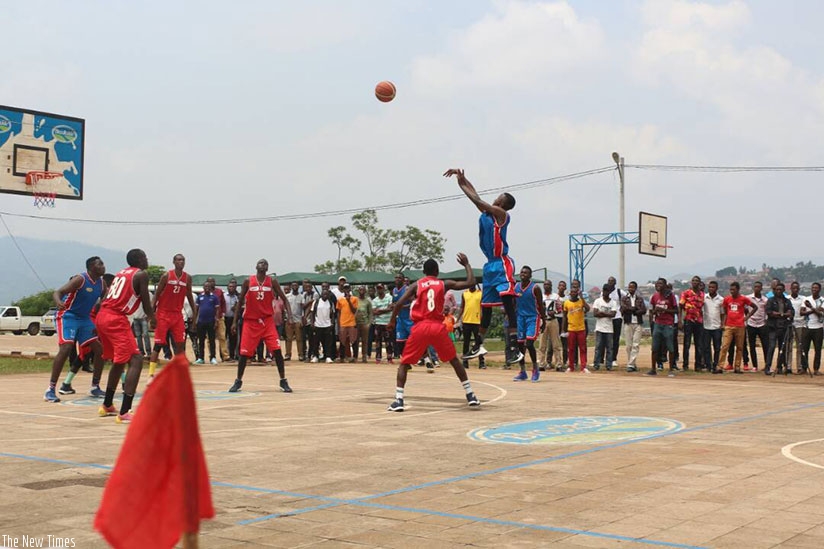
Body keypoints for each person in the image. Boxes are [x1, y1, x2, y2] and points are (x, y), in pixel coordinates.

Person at [444, 168, 523, 364]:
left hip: (502, 262)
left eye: (499, 197)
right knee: (486, 307)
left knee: (507, 303)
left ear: (503, 203)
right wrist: (462, 180)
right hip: (490, 266)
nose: (496, 199)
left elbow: (477, 201)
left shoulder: (501, 214)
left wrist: (464, 185)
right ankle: (478, 344)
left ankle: (514, 347)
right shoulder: (488, 214)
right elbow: (477, 198)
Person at [387, 254, 481, 412]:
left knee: (404, 363)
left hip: (420, 326)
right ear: (437, 271)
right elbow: (471, 282)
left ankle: (399, 400)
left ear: (424, 272)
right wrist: (466, 264)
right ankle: (470, 395)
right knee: (454, 360)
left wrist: (392, 321)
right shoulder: (444, 284)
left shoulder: (416, 285)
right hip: (438, 326)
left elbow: (399, 303)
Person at [96, 249, 154, 423]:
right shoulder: (141, 274)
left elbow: (105, 297)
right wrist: (153, 318)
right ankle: (125, 411)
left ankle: (107, 405)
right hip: (115, 318)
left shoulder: (121, 273)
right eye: (145, 257)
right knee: (136, 359)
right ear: (139, 260)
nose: (147, 260)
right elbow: (145, 301)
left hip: (103, 315)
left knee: (119, 361)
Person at [45, 257, 108, 402]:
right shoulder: (80, 279)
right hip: (68, 316)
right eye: (100, 264)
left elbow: (102, 303)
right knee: (66, 348)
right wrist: (59, 302)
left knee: (99, 350)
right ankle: (50, 389)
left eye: (103, 264)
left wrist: (98, 321)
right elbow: (57, 292)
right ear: (91, 267)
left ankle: (95, 386)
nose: (103, 266)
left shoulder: (102, 284)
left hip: (85, 319)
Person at [228, 259, 292, 393]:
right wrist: (234, 322)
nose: (263, 265)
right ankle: (238, 381)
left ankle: (283, 380)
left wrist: (290, 316)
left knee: (277, 351)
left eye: (265, 264)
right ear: (256, 266)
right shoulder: (248, 281)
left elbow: (285, 299)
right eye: (261, 263)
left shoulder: (272, 281)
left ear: (268, 268)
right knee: (244, 354)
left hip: (267, 321)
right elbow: (239, 303)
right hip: (250, 322)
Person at [148, 254, 196, 378]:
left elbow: (190, 296)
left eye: (183, 260)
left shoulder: (187, 278)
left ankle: (179, 372)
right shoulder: (166, 276)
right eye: (178, 260)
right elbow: (156, 295)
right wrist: (152, 315)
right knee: (158, 344)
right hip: (163, 313)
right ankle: (151, 373)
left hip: (177, 314)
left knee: (180, 344)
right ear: (174, 262)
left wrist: (195, 314)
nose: (181, 262)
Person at [513, 266, 546, 382]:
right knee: (520, 345)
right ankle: (522, 371)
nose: (523, 274)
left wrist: (544, 320)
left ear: (530, 275)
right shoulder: (516, 287)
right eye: (522, 272)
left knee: (530, 344)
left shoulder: (535, 288)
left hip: (533, 318)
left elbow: (541, 305)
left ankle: (535, 369)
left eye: (526, 273)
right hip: (520, 318)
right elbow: (513, 303)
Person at [718, 281, 755, 375]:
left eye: (733, 290)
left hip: (740, 326)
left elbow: (754, 307)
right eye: (730, 289)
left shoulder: (743, 299)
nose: (732, 291)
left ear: (738, 289)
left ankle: (737, 366)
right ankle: (720, 366)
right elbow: (725, 311)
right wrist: (723, 323)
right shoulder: (727, 299)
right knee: (725, 346)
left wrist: (747, 317)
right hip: (729, 325)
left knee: (739, 347)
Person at [648, 278, 678, 376]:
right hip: (657, 323)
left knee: (670, 347)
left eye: (661, 283)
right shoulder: (654, 296)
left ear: (665, 285)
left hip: (668, 324)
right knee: (655, 347)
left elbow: (676, 310)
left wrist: (664, 310)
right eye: (657, 284)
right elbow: (651, 310)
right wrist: (652, 321)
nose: (658, 285)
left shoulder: (670, 296)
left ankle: (670, 369)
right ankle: (653, 369)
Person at [766, 282, 794, 375]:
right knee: (772, 347)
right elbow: (769, 312)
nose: (778, 291)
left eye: (780, 290)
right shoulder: (770, 300)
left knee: (782, 348)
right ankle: (768, 367)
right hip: (773, 327)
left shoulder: (787, 301)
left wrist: (779, 314)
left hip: (784, 327)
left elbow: (791, 312)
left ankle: (779, 367)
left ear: (783, 290)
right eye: (776, 289)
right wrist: (783, 314)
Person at [679, 276, 705, 372]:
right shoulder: (686, 293)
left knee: (699, 344)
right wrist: (680, 320)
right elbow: (680, 306)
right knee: (687, 343)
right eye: (693, 280)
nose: (695, 282)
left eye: (697, 281)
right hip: (688, 320)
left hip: (699, 321)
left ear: (699, 283)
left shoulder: (702, 294)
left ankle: (697, 365)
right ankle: (685, 365)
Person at [620, 281, 646, 372]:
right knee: (628, 345)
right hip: (628, 322)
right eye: (629, 287)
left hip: (638, 323)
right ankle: (632, 363)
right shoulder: (624, 298)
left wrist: (633, 310)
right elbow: (623, 308)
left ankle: (630, 364)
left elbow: (643, 310)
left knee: (636, 344)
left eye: (632, 287)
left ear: (635, 288)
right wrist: (634, 309)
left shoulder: (639, 299)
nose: (631, 289)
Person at [562, 285, 590, 373]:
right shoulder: (566, 303)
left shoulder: (581, 301)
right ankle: (571, 366)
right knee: (571, 349)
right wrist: (563, 329)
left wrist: (582, 298)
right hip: (571, 329)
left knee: (582, 348)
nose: (573, 293)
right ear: (570, 293)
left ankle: (583, 367)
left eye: (575, 292)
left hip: (581, 328)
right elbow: (564, 317)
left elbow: (588, 309)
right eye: (572, 292)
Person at [592, 283, 619, 371]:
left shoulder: (613, 302)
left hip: (609, 329)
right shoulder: (597, 301)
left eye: (607, 291)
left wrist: (602, 313)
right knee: (598, 347)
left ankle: (608, 365)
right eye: (604, 290)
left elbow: (613, 314)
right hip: (599, 328)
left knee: (609, 348)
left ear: (609, 292)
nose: (605, 292)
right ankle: (596, 364)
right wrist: (607, 314)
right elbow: (595, 313)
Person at [457, 284, 484, 369]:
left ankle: (481, 362)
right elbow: (462, 306)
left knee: (478, 343)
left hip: (477, 322)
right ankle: (465, 362)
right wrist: (458, 318)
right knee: (466, 343)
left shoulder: (480, 293)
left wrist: (482, 319)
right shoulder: (465, 293)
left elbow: (482, 307)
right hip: (466, 321)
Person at [743, 281, 769, 372]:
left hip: (762, 324)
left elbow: (766, 312)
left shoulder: (765, 300)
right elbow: (745, 308)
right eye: (755, 287)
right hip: (751, 324)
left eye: (759, 287)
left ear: (761, 288)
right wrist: (748, 316)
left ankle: (767, 365)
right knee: (752, 346)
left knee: (765, 346)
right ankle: (755, 366)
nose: (757, 288)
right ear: (753, 288)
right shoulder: (748, 298)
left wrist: (765, 321)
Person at [537, 280, 563, 372]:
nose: (546, 286)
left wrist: (554, 312)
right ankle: (541, 364)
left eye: (548, 284)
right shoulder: (540, 297)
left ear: (551, 286)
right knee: (542, 344)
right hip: (543, 321)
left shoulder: (555, 296)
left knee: (556, 344)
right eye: (545, 284)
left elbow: (560, 309)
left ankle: (558, 364)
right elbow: (536, 308)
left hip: (553, 320)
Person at [194, 281, 220, 365]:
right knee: (201, 341)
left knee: (212, 340)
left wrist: (216, 321)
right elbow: (196, 309)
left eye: (208, 287)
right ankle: (201, 358)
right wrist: (195, 321)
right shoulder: (200, 297)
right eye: (205, 287)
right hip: (201, 322)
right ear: (203, 287)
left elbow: (217, 310)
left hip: (211, 321)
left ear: (211, 287)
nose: (207, 288)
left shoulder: (214, 297)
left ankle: (213, 357)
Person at [309, 283, 336, 363]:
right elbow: (312, 313)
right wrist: (312, 323)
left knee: (328, 342)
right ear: (321, 294)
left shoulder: (330, 303)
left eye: (326, 294)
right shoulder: (316, 302)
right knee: (316, 342)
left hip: (327, 325)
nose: (325, 295)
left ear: (328, 295)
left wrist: (332, 323)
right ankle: (315, 356)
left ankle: (328, 356)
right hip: (318, 325)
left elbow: (333, 314)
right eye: (323, 294)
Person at [702, 281, 725, 373]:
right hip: (706, 326)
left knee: (717, 347)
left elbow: (723, 313)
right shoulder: (704, 298)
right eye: (710, 287)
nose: (711, 289)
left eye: (713, 287)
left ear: (717, 288)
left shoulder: (721, 299)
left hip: (717, 327)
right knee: (706, 347)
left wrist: (722, 324)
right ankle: (708, 365)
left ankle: (716, 364)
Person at [802, 283, 824, 376]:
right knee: (804, 349)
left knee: (818, 349)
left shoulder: (823, 300)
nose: (814, 289)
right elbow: (802, 312)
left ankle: (816, 369)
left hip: (818, 328)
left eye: (816, 288)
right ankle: (804, 368)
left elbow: (821, 314)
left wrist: (810, 307)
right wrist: (815, 310)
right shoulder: (806, 299)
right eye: (813, 288)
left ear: (820, 289)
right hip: (807, 327)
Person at [786, 281, 808, 375]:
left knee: (799, 346)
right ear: (790, 289)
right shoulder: (787, 298)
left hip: (800, 324)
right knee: (789, 346)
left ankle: (799, 366)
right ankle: (788, 366)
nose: (795, 290)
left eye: (797, 288)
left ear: (799, 289)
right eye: (793, 288)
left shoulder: (803, 298)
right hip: (790, 324)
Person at [371, 283, 394, 363]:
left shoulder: (389, 297)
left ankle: (389, 357)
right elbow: (374, 312)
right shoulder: (375, 300)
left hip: (387, 322)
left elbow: (391, 308)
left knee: (389, 341)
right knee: (378, 341)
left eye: (380, 288)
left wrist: (379, 310)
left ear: (384, 288)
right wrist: (386, 309)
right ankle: (378, 358)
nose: (379, 290)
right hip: (378, 323)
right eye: (378, 288)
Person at [392, 273, 412, 360]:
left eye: (399, 278)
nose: (397, 279)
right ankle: (405, 360)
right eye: (396, 278)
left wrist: (402, 306)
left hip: (409, 319)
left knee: (415, 340)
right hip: (400, 319)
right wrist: (393, 305)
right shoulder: (394, 290)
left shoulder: (407, 289)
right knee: (400, 341)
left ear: (403, 280)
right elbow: (395, 303)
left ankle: (426, 359)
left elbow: (413, 303)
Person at [336, 283, 359, 362]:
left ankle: (355, 357)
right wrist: (339, 324)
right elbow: (339, 312)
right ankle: (342, 357)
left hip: (352, 322)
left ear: (350, 289)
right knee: (342, 340)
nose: (346, 290)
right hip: (343, 323)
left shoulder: (355, 299)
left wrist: (349, 301)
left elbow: (354, 311)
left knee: (353, 340)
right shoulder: (340, 300)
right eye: (345, 288)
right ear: (343, 290)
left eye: (347, 288)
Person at [284, 281, 305, 361]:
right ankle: (288, 354)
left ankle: (300, 355)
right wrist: (287, 318)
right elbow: (285, 307)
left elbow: (303, 308)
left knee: (299, 338)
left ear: (298, 287)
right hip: (289, 320)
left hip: (298, 320)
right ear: (291, 287)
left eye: (296, 286)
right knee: (288, 338)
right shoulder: (287, 296)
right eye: (293, 286)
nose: (294, 287)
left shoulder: (301, 296)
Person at [606, 276, 623, 368]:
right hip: (607, 318)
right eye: (609, 281)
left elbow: (626, 298)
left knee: (615, 339)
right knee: (607, 339)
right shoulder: (604, 292)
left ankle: (613, 359)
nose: (610, 282)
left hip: (617, 318)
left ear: (615, 283)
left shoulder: (619, 292)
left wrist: (622, 309)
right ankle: (605, 358)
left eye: (612, 281)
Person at [354, 286, 372, 363]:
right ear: (358, 291)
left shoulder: (367, 301)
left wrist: (369, 323)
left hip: (364, 323)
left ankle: (364, 356)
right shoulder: (355, 300)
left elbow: (370, 313)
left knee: (365, 340)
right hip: (356, 323)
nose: (361, 291)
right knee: (356, 340)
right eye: (360, 290)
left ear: (365, 291)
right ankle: (355, 356)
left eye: (363, 290)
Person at [224, 278, 240, 361]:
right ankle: (224, 356)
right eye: (230, 286)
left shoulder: (237, 297)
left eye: (233, 287)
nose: (231, 288)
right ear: (227, 287)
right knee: (224, 337)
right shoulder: (224, 296)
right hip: (225, 318)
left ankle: (232, 355)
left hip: (233, 319)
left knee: (233, 338)